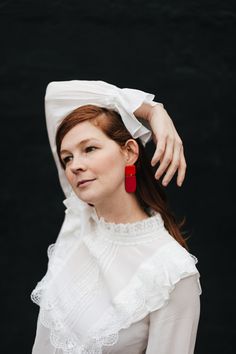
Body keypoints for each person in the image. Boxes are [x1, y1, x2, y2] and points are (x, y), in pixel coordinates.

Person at [31, 80, 202, 354]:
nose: (75, 166)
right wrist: (152, 110)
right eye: (66, 158)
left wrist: (155, 111)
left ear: (130, 152)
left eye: (89, 149)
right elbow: (55, 94)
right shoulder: (79, 218)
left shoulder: (171, 272)